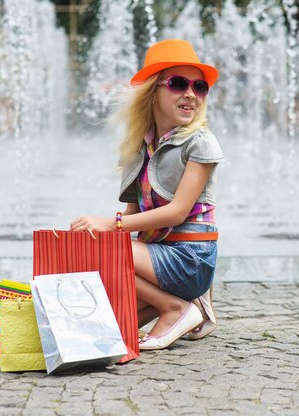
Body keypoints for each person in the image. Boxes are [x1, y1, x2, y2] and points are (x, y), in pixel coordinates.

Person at [70, 39, 222, 350]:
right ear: (153, 92)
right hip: (157, 255)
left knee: (104, 248)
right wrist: (105, 230)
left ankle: (176, 307)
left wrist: (109, 226)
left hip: (189, 258)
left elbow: (178, 212)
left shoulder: (201, 142)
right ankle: (185, 301)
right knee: (112, 321)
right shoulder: (139, 146)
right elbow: (131, 218)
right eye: (178, 83)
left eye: (199, 87)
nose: (190, 94)